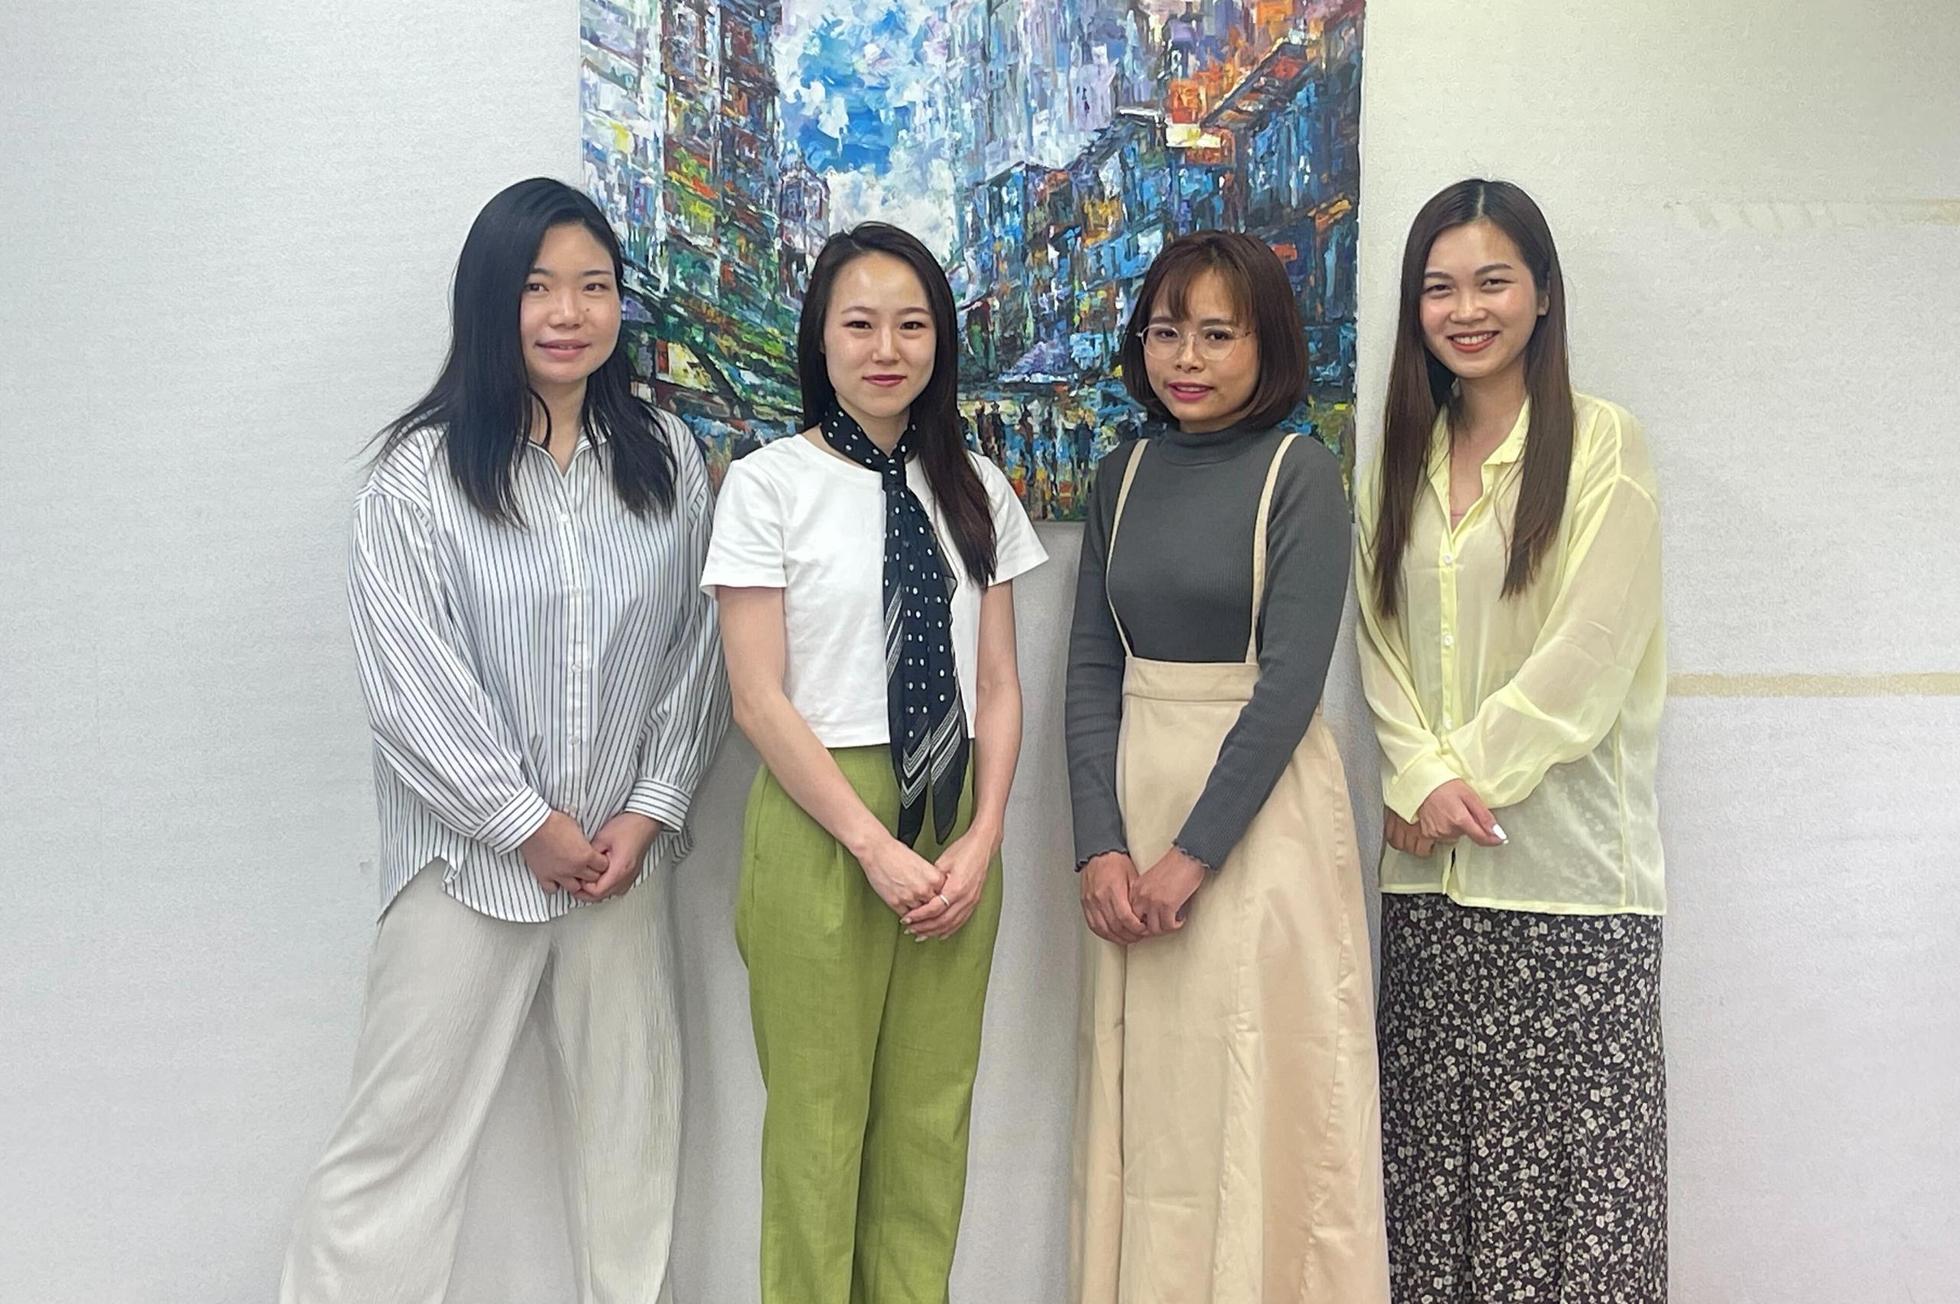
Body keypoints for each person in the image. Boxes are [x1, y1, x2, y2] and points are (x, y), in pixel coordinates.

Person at [279, 177, 728, 1304]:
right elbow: (408, 679)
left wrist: (649, 809)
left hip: (620, 869)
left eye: (593, 286)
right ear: (491, 300)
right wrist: (525, 823)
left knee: (634, 1143)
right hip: (465, 868)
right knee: (398, 1144)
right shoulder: (419, 475)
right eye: (538, 287)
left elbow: (701, 648)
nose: (568, 312)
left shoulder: (668, 459)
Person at [703, 222, 1047, 1304]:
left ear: (941, 339)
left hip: (955, 818)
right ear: (822, 336)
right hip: (823, 818)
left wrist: (985, 835)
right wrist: (870, 845)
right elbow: (756, 697)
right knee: (818, 1127)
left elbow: (999, 682)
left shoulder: (977, 485)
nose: (886, 348)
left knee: (929, 1122)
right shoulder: (766, 484)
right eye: (859, 323)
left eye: (912, 324)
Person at [1354, 178, 1668, 1302]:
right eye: (1438, 287)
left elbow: (1590, 654)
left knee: (1575, 1219)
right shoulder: (1395, 457)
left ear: (1542, 293)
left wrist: (1453, 779)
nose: (1465, 309)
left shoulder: (1603, 445)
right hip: (1427, 893)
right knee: (1435, 1202)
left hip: (1569, 892)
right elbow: (1376, 643)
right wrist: (1418, 775)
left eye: (1492, 281)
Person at [1066, 230, 1389, 1303]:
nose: (1187, 359)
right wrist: (1100, 846)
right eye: (1167, 332)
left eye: (1217, 334)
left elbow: (1291, 686)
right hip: (1135, 805)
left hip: (1258, 822)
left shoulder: (1303, 475)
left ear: (1268, 346)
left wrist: (1190, 856)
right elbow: (1090, 668)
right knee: (1150, 1104)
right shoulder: (1121, 475)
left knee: (1253, 1084)